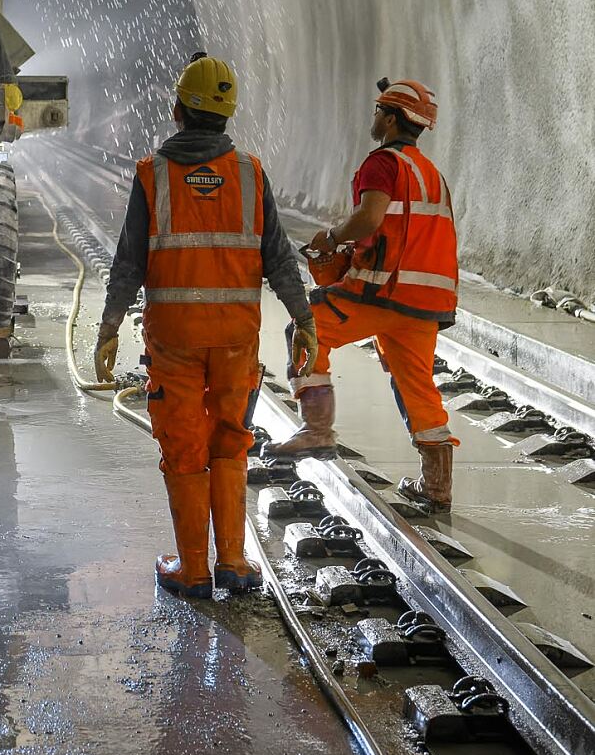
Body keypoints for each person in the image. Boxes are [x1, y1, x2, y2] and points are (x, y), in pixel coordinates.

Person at [94, 54, 317, 599]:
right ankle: (235, 563)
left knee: (185, 446)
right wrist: (304, 319)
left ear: (177, 111)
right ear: (228, 115)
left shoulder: (153, 175)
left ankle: (193, 569)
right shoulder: (250, 173)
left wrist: (108, 326)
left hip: (174, 341)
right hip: (236, 340)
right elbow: (280, 258)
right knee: (231, 440)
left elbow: (129, 263)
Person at [269, 78, 459, 511]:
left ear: (391, 119)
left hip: (380, 292)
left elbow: (371, 218)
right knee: (418, 386)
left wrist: (333, 238)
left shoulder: (382, 163)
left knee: (306, 328)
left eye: (378, 111)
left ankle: (317, 429)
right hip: (425, 305)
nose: (373, 118)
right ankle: (437, 488)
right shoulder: (432, 175)